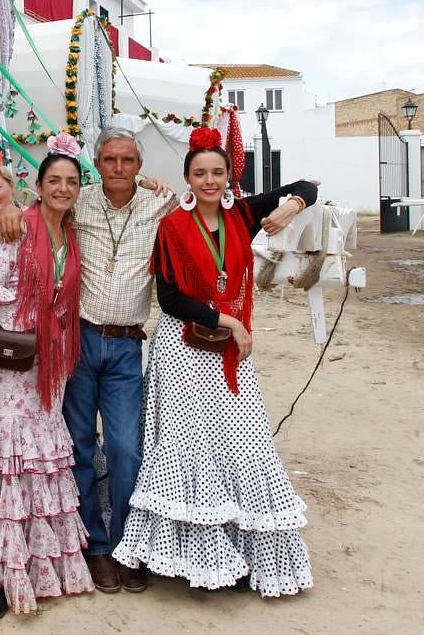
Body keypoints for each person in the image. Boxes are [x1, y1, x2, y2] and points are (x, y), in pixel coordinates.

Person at [114, 126, 317, 597]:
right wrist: (231, 320)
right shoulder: (173, 226)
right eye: (200, 173)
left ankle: (241, 552)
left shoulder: (243, 214)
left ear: (229, 176)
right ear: (187, 178)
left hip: (227, 351)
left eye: (217, 172)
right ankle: (191, 556)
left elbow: (305, 186)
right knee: (186, 445)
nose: (209, 181)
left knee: (245, 443)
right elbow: (169, 297)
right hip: (184, 348)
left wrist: (290, 207)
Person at [0, 134, 94, 619]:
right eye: (55, 181)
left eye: (71, 182)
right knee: (3, 464)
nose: (63, 189)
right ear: (38, 184)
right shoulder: (16, 228)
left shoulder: (71, 233)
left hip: (50, 367)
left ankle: (34, 563)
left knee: (40, 464)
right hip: (9, 369)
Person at [56, 128, 175, 594]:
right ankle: (96, 547)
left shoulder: (159, 205)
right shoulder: (78, 201)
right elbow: (30, 205)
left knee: (126, 448)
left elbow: (202, 197)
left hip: (128, 345)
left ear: (139, 165)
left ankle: (127, 543)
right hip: (81, 340)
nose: (119, 168)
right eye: (110, 159)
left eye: (128, 159)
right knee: (80, 445)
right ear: (98, 163)